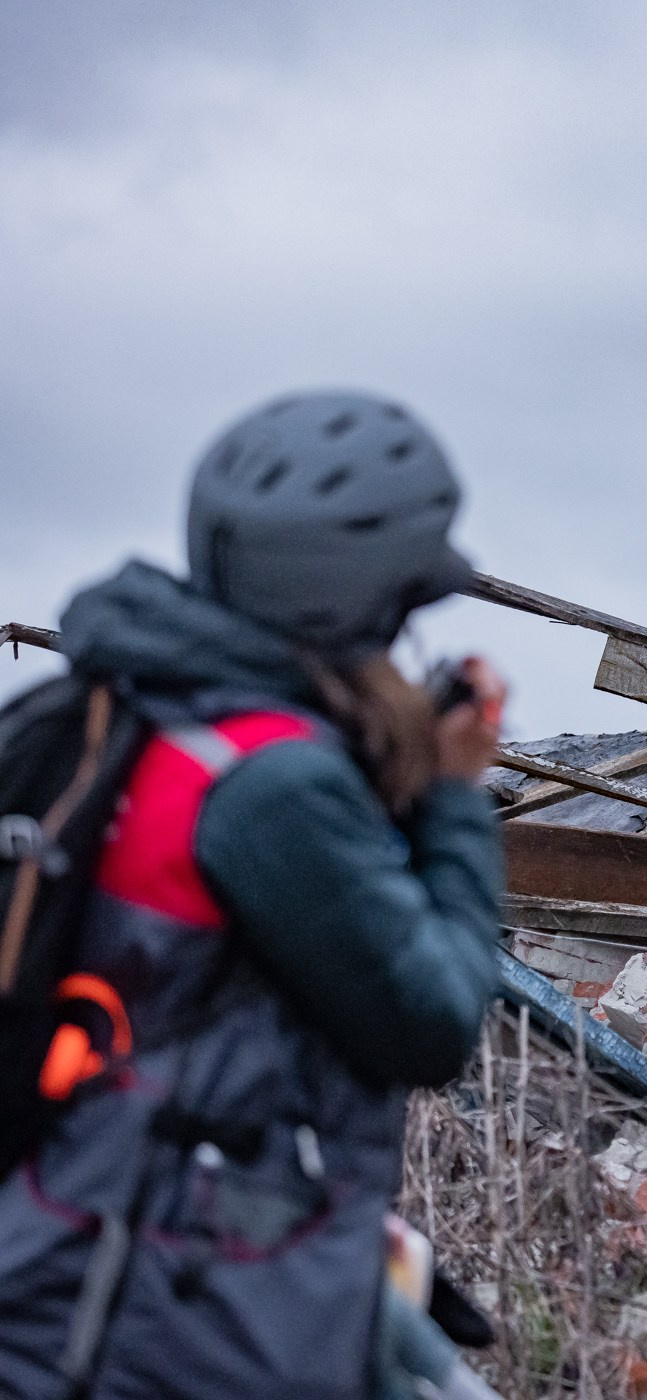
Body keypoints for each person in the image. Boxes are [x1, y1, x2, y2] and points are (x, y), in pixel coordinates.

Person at [0, 391, 507, 1399]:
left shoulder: (134, 704)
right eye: (400, 607)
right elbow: (434, 1019)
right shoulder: (274, 788)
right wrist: (453, 799)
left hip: (81, 1231)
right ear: (351, 605)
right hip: (169, 1311)